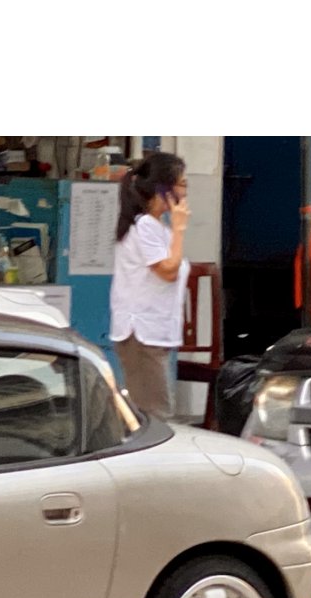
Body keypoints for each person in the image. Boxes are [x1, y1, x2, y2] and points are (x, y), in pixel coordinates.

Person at [109, 152, 190, 419]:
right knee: (155, 414)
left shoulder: (155, 228)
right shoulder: (144, 226)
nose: (185, 190)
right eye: (181, 183)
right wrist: (179, 230)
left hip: (153, 330)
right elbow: (167, 271)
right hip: (141, 331)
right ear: (164, 189)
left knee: (152, 410)